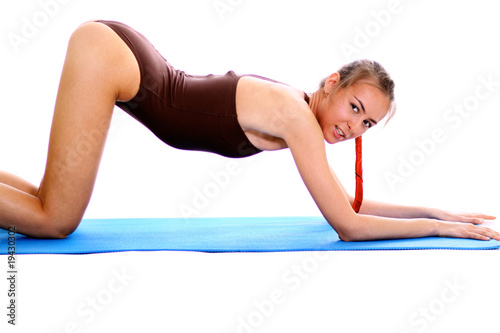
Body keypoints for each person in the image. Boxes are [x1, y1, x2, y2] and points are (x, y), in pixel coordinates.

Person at [0, 20, 498, 241]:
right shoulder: (297, 119)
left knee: (48, 199)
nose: (354, 127)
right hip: (112, 59)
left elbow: (348, 204)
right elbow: (348, 226)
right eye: (355, 107)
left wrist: (439, 209)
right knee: (55, 220)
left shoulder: (303, 114)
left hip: (120, 58)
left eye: (367, 123)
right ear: (331, 83)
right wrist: (437, 229)